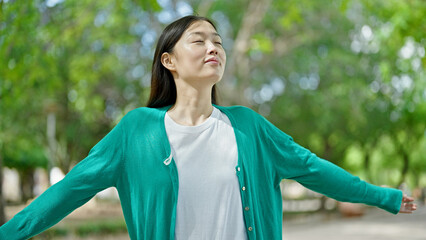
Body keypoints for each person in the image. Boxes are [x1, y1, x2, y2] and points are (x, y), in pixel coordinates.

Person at [0, 15, 417, 240]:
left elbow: (314, 169)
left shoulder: (249, 128)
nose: (213, 47)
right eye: (198, 40)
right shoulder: (135, 132)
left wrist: (382, 196)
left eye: (218, 41)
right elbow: (70, 189)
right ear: (169, 61)